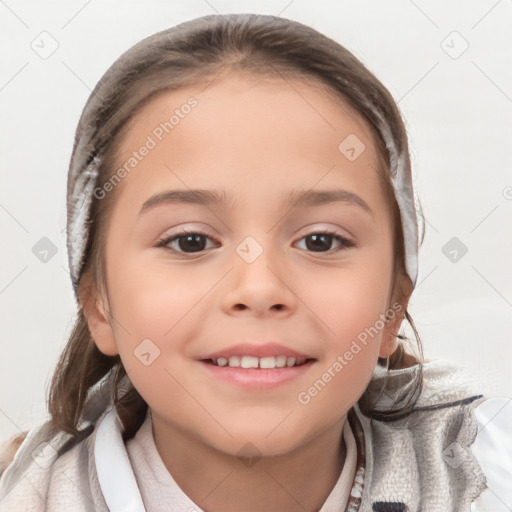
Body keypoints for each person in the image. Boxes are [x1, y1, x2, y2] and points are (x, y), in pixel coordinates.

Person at [0, 13, 510, 512]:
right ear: (99, 306)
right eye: (191, 242)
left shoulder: (487, 478)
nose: (260, 287)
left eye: (320, 241)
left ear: (394, 304)